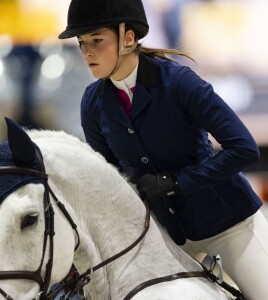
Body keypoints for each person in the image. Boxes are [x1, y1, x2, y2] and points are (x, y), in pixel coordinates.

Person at [58, 0, 268, 299]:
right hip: (165, 236)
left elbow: (244, 148)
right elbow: (110, 178)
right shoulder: (92, 104)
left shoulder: (178, 82)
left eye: (97, 40)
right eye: (81, 43)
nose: (87, 52)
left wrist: (178, 182)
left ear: (128, 38)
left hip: (227, 225)